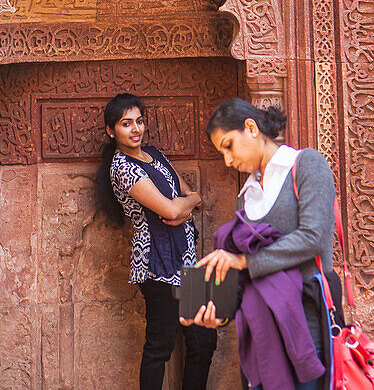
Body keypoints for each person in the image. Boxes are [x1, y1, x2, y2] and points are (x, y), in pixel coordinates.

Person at [181, 98, 336, 390]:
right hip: (262, 342)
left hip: (307, 329)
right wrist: (219, 314)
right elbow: (246, 280)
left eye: (228, 146)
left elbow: (314, 237)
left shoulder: (305, 165)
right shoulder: (246, 195)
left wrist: (244, 261)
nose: (228, 160)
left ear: (251, 128)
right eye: (221, 153)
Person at [95, 92, 217, 390]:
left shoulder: (154, 155)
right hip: (156, 262)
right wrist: (182, 208)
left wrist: (186, 206)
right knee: (160, 345)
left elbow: (192, 198)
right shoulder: (122, 167)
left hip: (187, 258)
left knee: (203, 340)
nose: (135, 129)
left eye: (139, 121)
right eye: (126, 124)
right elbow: (173, 207)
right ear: (112, 131)